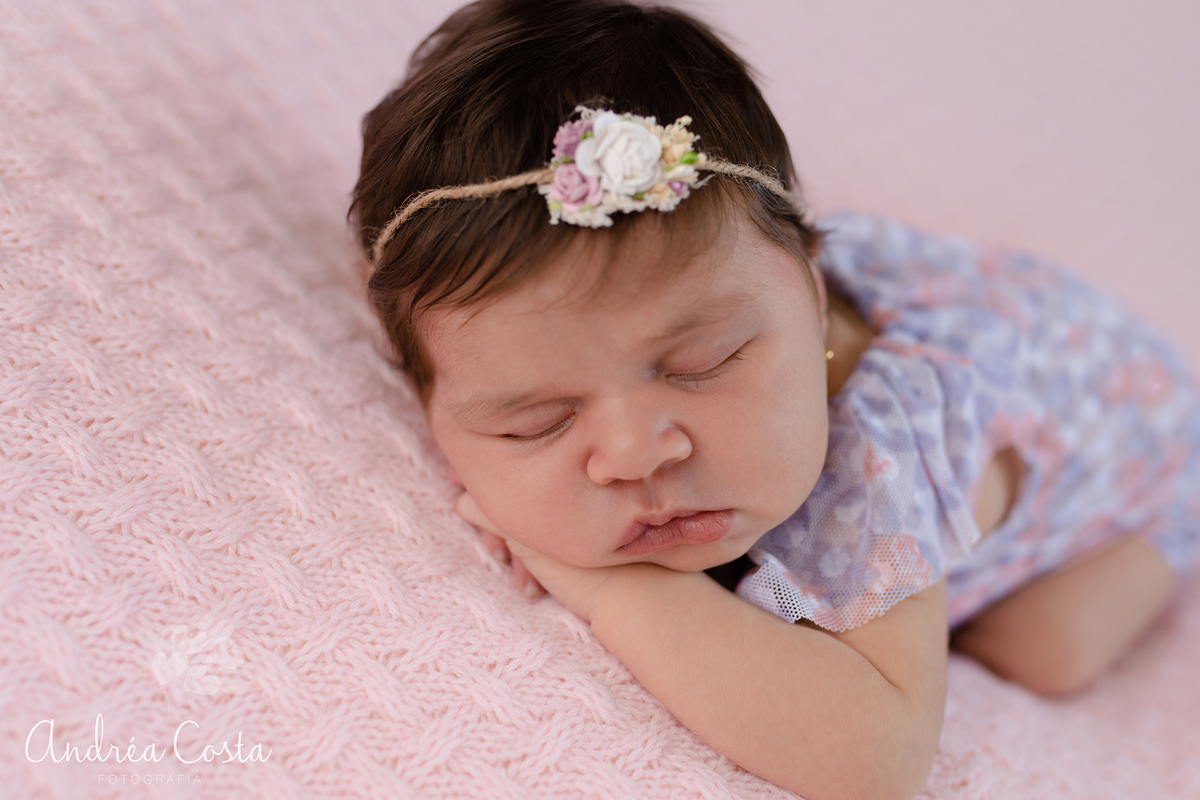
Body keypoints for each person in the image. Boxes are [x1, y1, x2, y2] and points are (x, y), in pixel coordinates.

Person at [350, 1, 1200, 797]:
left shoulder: (881, 454)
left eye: (702, 364)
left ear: (813, 300)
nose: (637, 453)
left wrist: (620, 594)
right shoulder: (721, 311)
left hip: (1143, 442)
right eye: (536, 422)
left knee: (1042, 650)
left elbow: (879, 752)